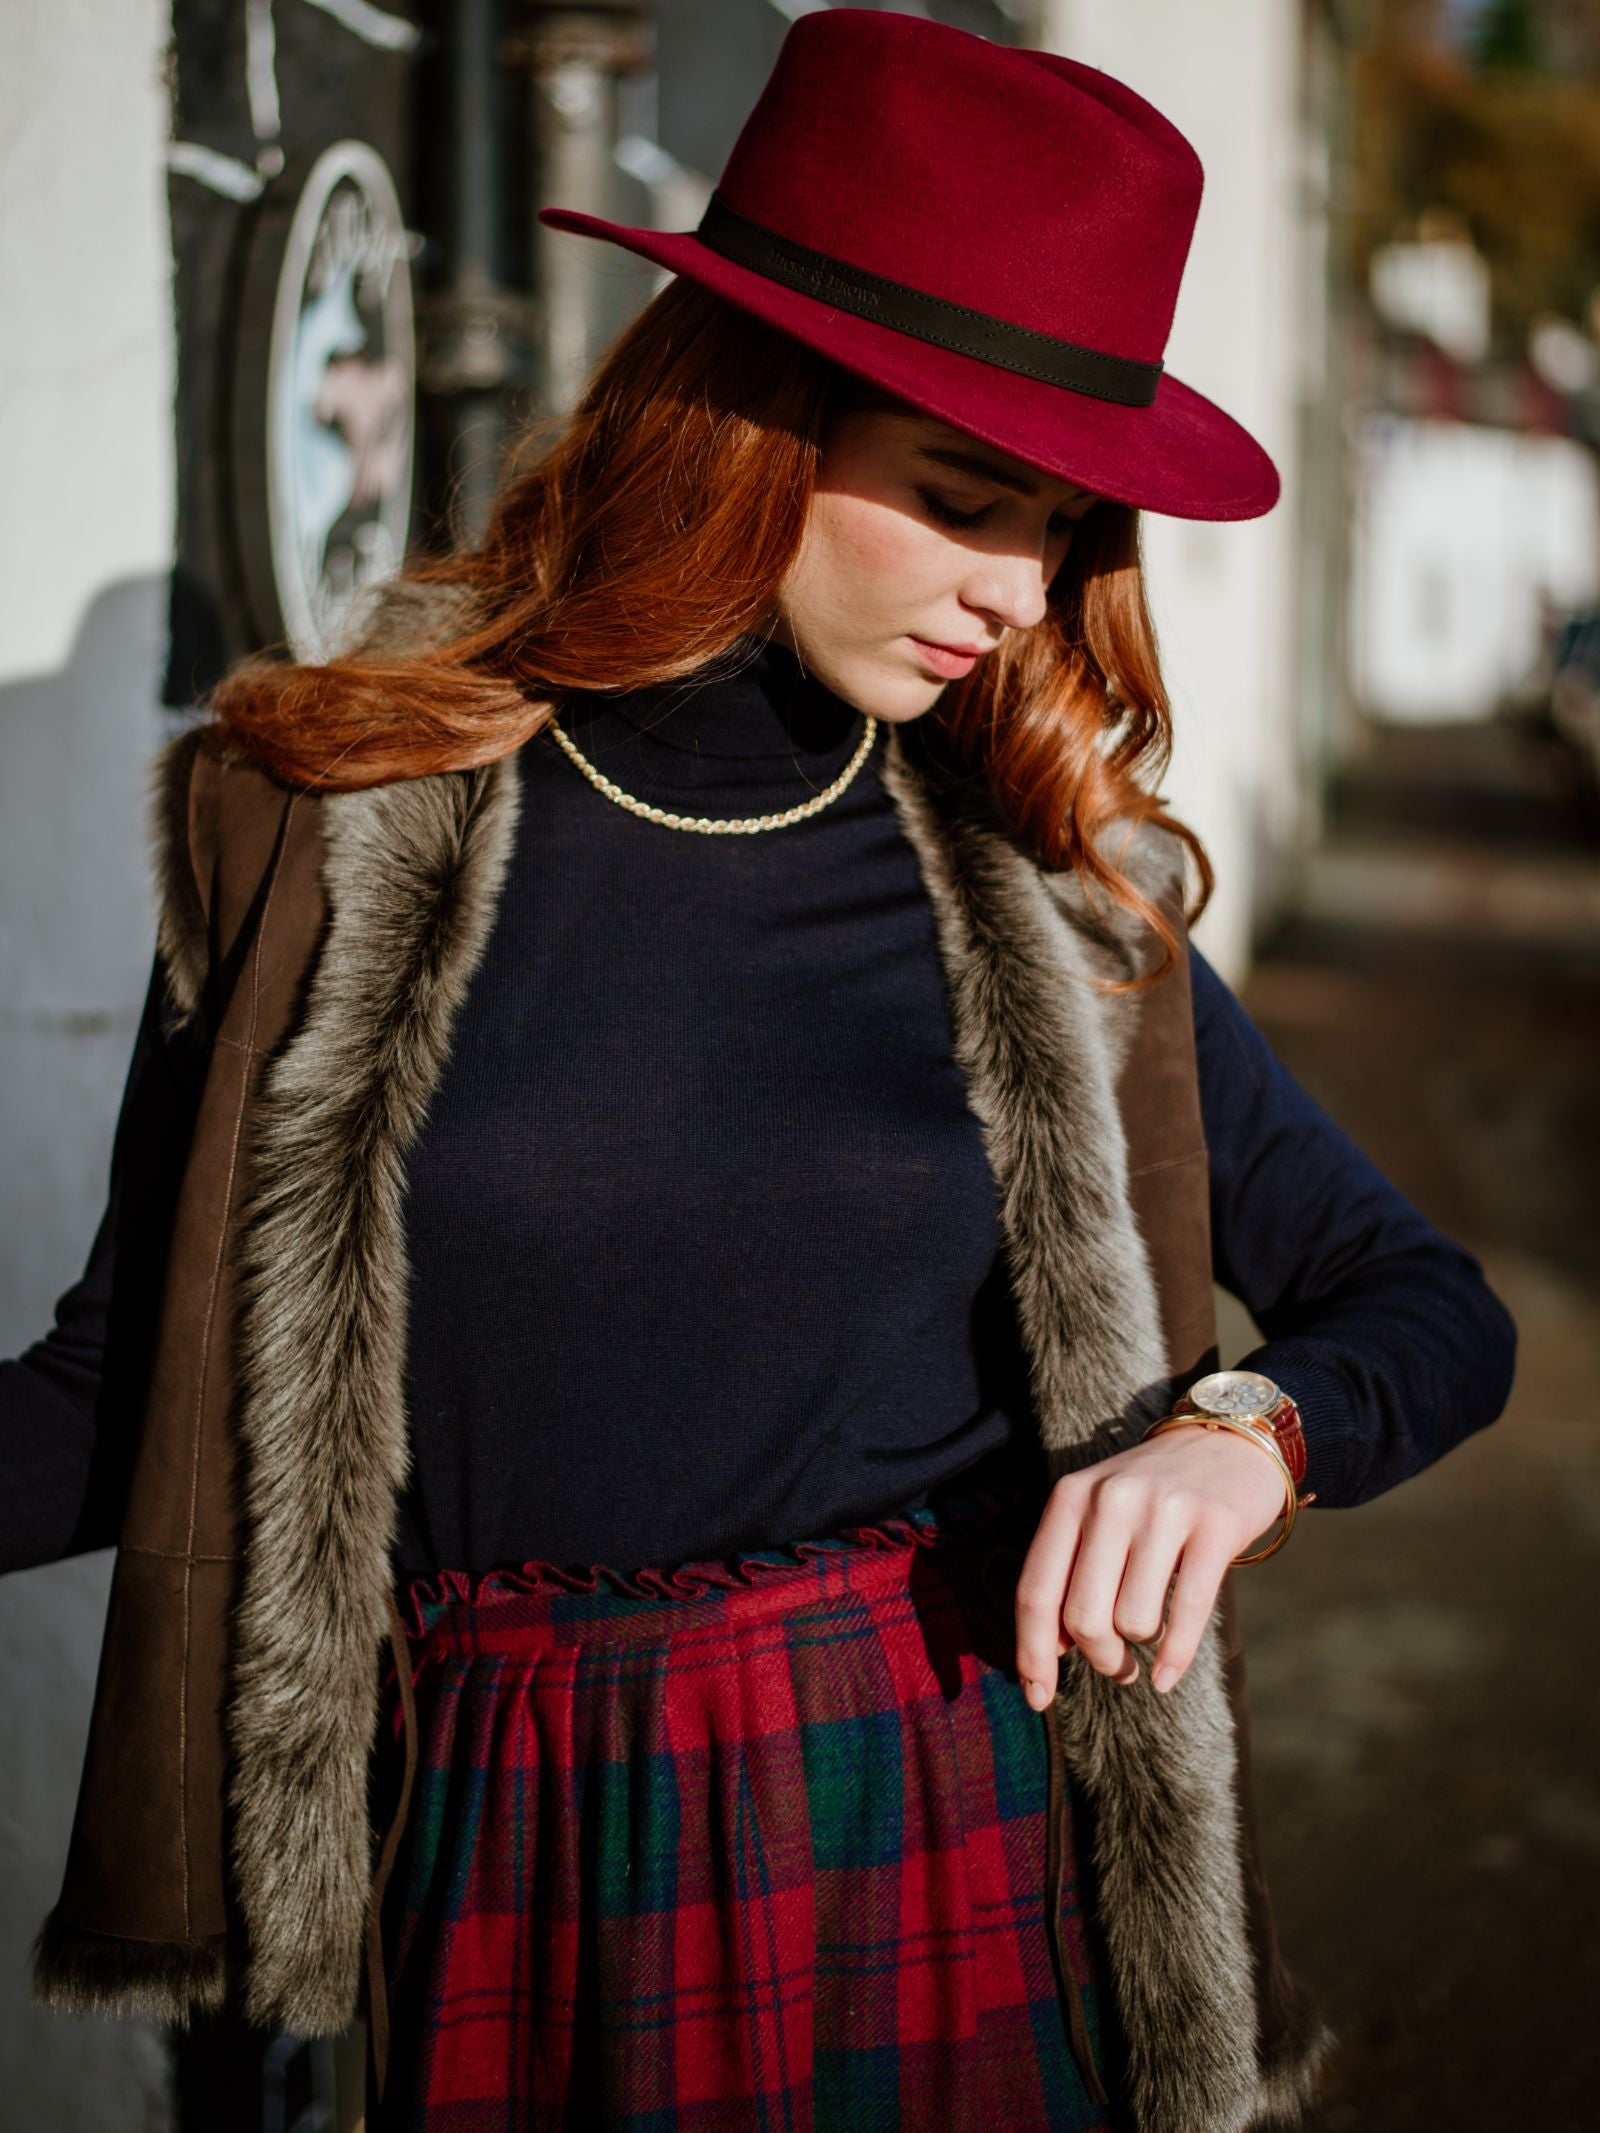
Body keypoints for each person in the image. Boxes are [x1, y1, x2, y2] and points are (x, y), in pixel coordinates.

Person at [3, 12, 1515, 2132]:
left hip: (944, 1798)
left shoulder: (1058, 912)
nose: (1016, 593)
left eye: (1059, 525)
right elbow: (115, 1391)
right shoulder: (320, 833)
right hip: (509, 1857)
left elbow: (1431, 1311)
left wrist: (1243, 1436)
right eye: (963, 499)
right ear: (745, 421)